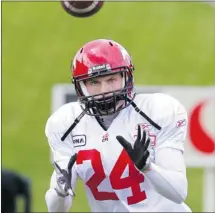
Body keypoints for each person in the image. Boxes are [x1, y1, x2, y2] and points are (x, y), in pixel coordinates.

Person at [45, 39, 192, 212]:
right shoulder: (66, 123)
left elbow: (179, 192)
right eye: (94, 82)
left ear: (126, 77)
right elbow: (57, 210)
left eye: (111, 79)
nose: (104, 90)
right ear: (81, 86)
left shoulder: (158, 111)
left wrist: (147, 167)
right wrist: (60, 192)